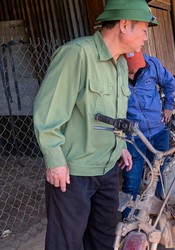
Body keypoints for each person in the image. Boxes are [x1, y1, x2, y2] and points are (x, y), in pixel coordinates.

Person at [32, 0, 158, 249]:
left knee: (103, 239)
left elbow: (114, 114)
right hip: (73, 172)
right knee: (66, 243)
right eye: (144, 29)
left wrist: (119, 144)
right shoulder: (77, 54)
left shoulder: (121, 63)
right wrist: (55, 160)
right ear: (124, 25)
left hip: (109, 168)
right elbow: (48, 112)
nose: (145, 37)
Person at [121, 51, 175, 218]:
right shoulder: (113, 73)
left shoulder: (151, 64)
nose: (135, 71)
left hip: (159, 131)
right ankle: (128, 220)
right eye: (130, 69)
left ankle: (160, 213)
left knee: (159, 174)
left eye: (138, 66)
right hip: (133, 136)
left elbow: (170, 83)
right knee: (132, 180)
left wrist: (168, 106)